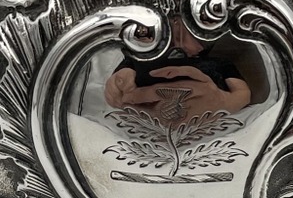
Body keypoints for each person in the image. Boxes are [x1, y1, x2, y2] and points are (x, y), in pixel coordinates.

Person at [104, 18, 251, 122]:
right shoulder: (140, 58)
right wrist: (119, 82)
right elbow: (122, 75)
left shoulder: (219, 63)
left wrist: (223, 102)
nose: (199, 47)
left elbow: (243, 93)